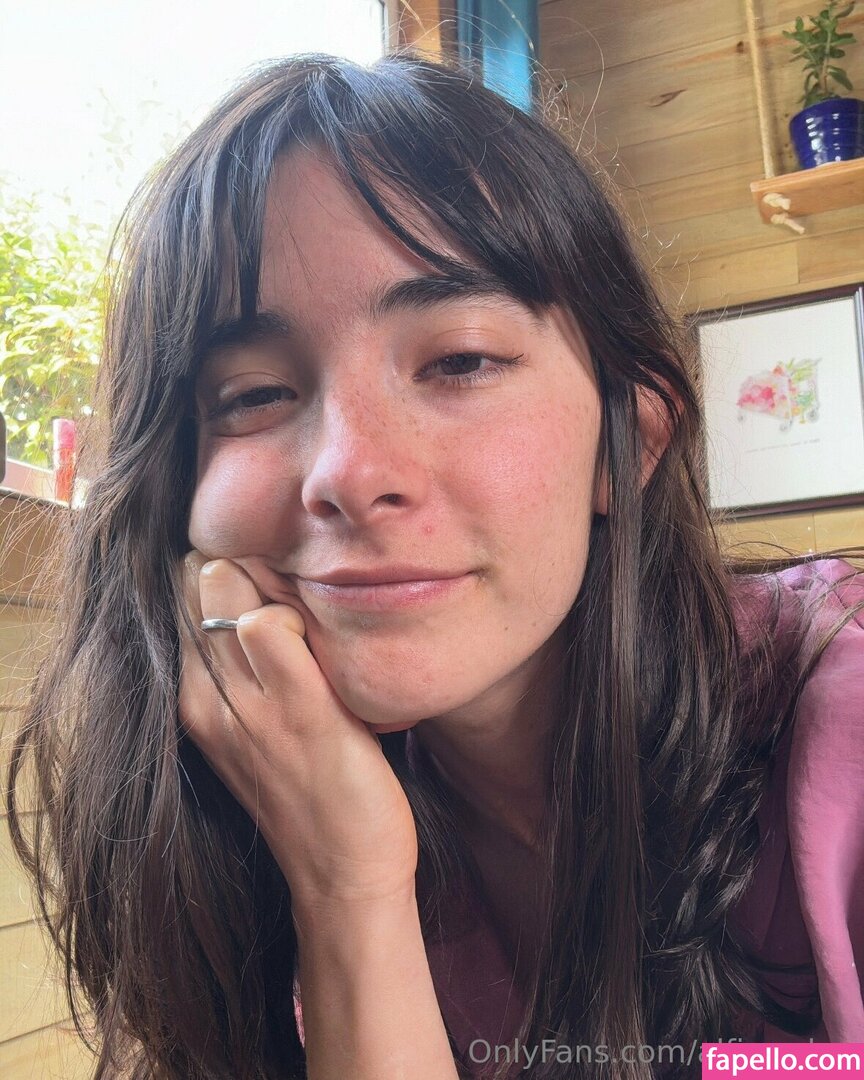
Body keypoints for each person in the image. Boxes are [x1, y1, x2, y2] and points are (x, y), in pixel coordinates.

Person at [6, 52, 863, 1080]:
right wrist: (348, 888)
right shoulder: (266, 803)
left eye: (460, 360)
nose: (347, 473)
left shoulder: (842, 732)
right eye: (254, 394)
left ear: (627, 444)